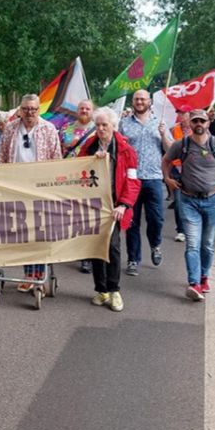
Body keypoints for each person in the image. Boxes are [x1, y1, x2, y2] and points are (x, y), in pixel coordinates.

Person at [162, 109, 215, 301]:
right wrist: (167, 179)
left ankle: (204, 277)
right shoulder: (182, 145)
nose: (198, 124)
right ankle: (193, 283)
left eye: (202, 121)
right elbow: (166, 161)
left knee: (207, 244)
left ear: (208, 123)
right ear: (189, 123)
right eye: (195, 121)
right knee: (192, 244)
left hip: (213, 199)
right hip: (188, 200)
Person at [0, 94, 62, 291]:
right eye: (25, 109)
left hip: (40, 188)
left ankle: (40, 275)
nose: (29, 113)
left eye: (33, 109)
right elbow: (1, 157)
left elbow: (56, 159)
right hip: (16, 187)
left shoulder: (48, 129)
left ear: (39, 110)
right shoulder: (10, 129)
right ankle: (29, 275)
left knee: (40, 232)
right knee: (24, 233)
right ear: (20, 110)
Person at [80, 107, 140, 311]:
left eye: (105, 125)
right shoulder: (88, 147)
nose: (101, 128)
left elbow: (133, 181)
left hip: (115, 206)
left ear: (114, 126)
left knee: (112, 247)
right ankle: (101, 289)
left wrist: (124, 204)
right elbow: (78, 172)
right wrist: (91, 164)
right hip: (94, 206)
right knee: (96, 248)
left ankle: (114, 290)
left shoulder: (126, 150)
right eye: (97, 125)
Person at [119, 89, 173, 276]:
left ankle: (155, 245)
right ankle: (133, 259)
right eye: (136, 99)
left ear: (149, 101)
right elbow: (118, 148)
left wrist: (164, 134)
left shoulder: (160, 123)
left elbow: (170, 150)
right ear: (133, 102)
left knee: (156, 219)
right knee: (132, 221)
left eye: (143, 99)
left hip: (154, 178)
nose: (140, 102)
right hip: (131, 180)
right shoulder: (124, 124)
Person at [60, 99, 97, 273]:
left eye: (87, 108)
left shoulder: (98, 129)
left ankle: (86, 256)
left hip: (89, 178)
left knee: (87, 216)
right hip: (67, 177)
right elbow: (59, 149)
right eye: (81, 108)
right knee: (69, 214)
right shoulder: (66, 128)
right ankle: (69, 248)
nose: (84, 111)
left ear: (92, 111)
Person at [168, 110, 192, 243]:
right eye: (180, 114)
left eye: (184, 114)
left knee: (192, 201)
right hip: (177, 169)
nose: (182, 117)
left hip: (193, 171)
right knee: (178, 202)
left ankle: (193, 227)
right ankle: (181, 230)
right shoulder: (174, 130)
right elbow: (167, 149)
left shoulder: (197, 129)